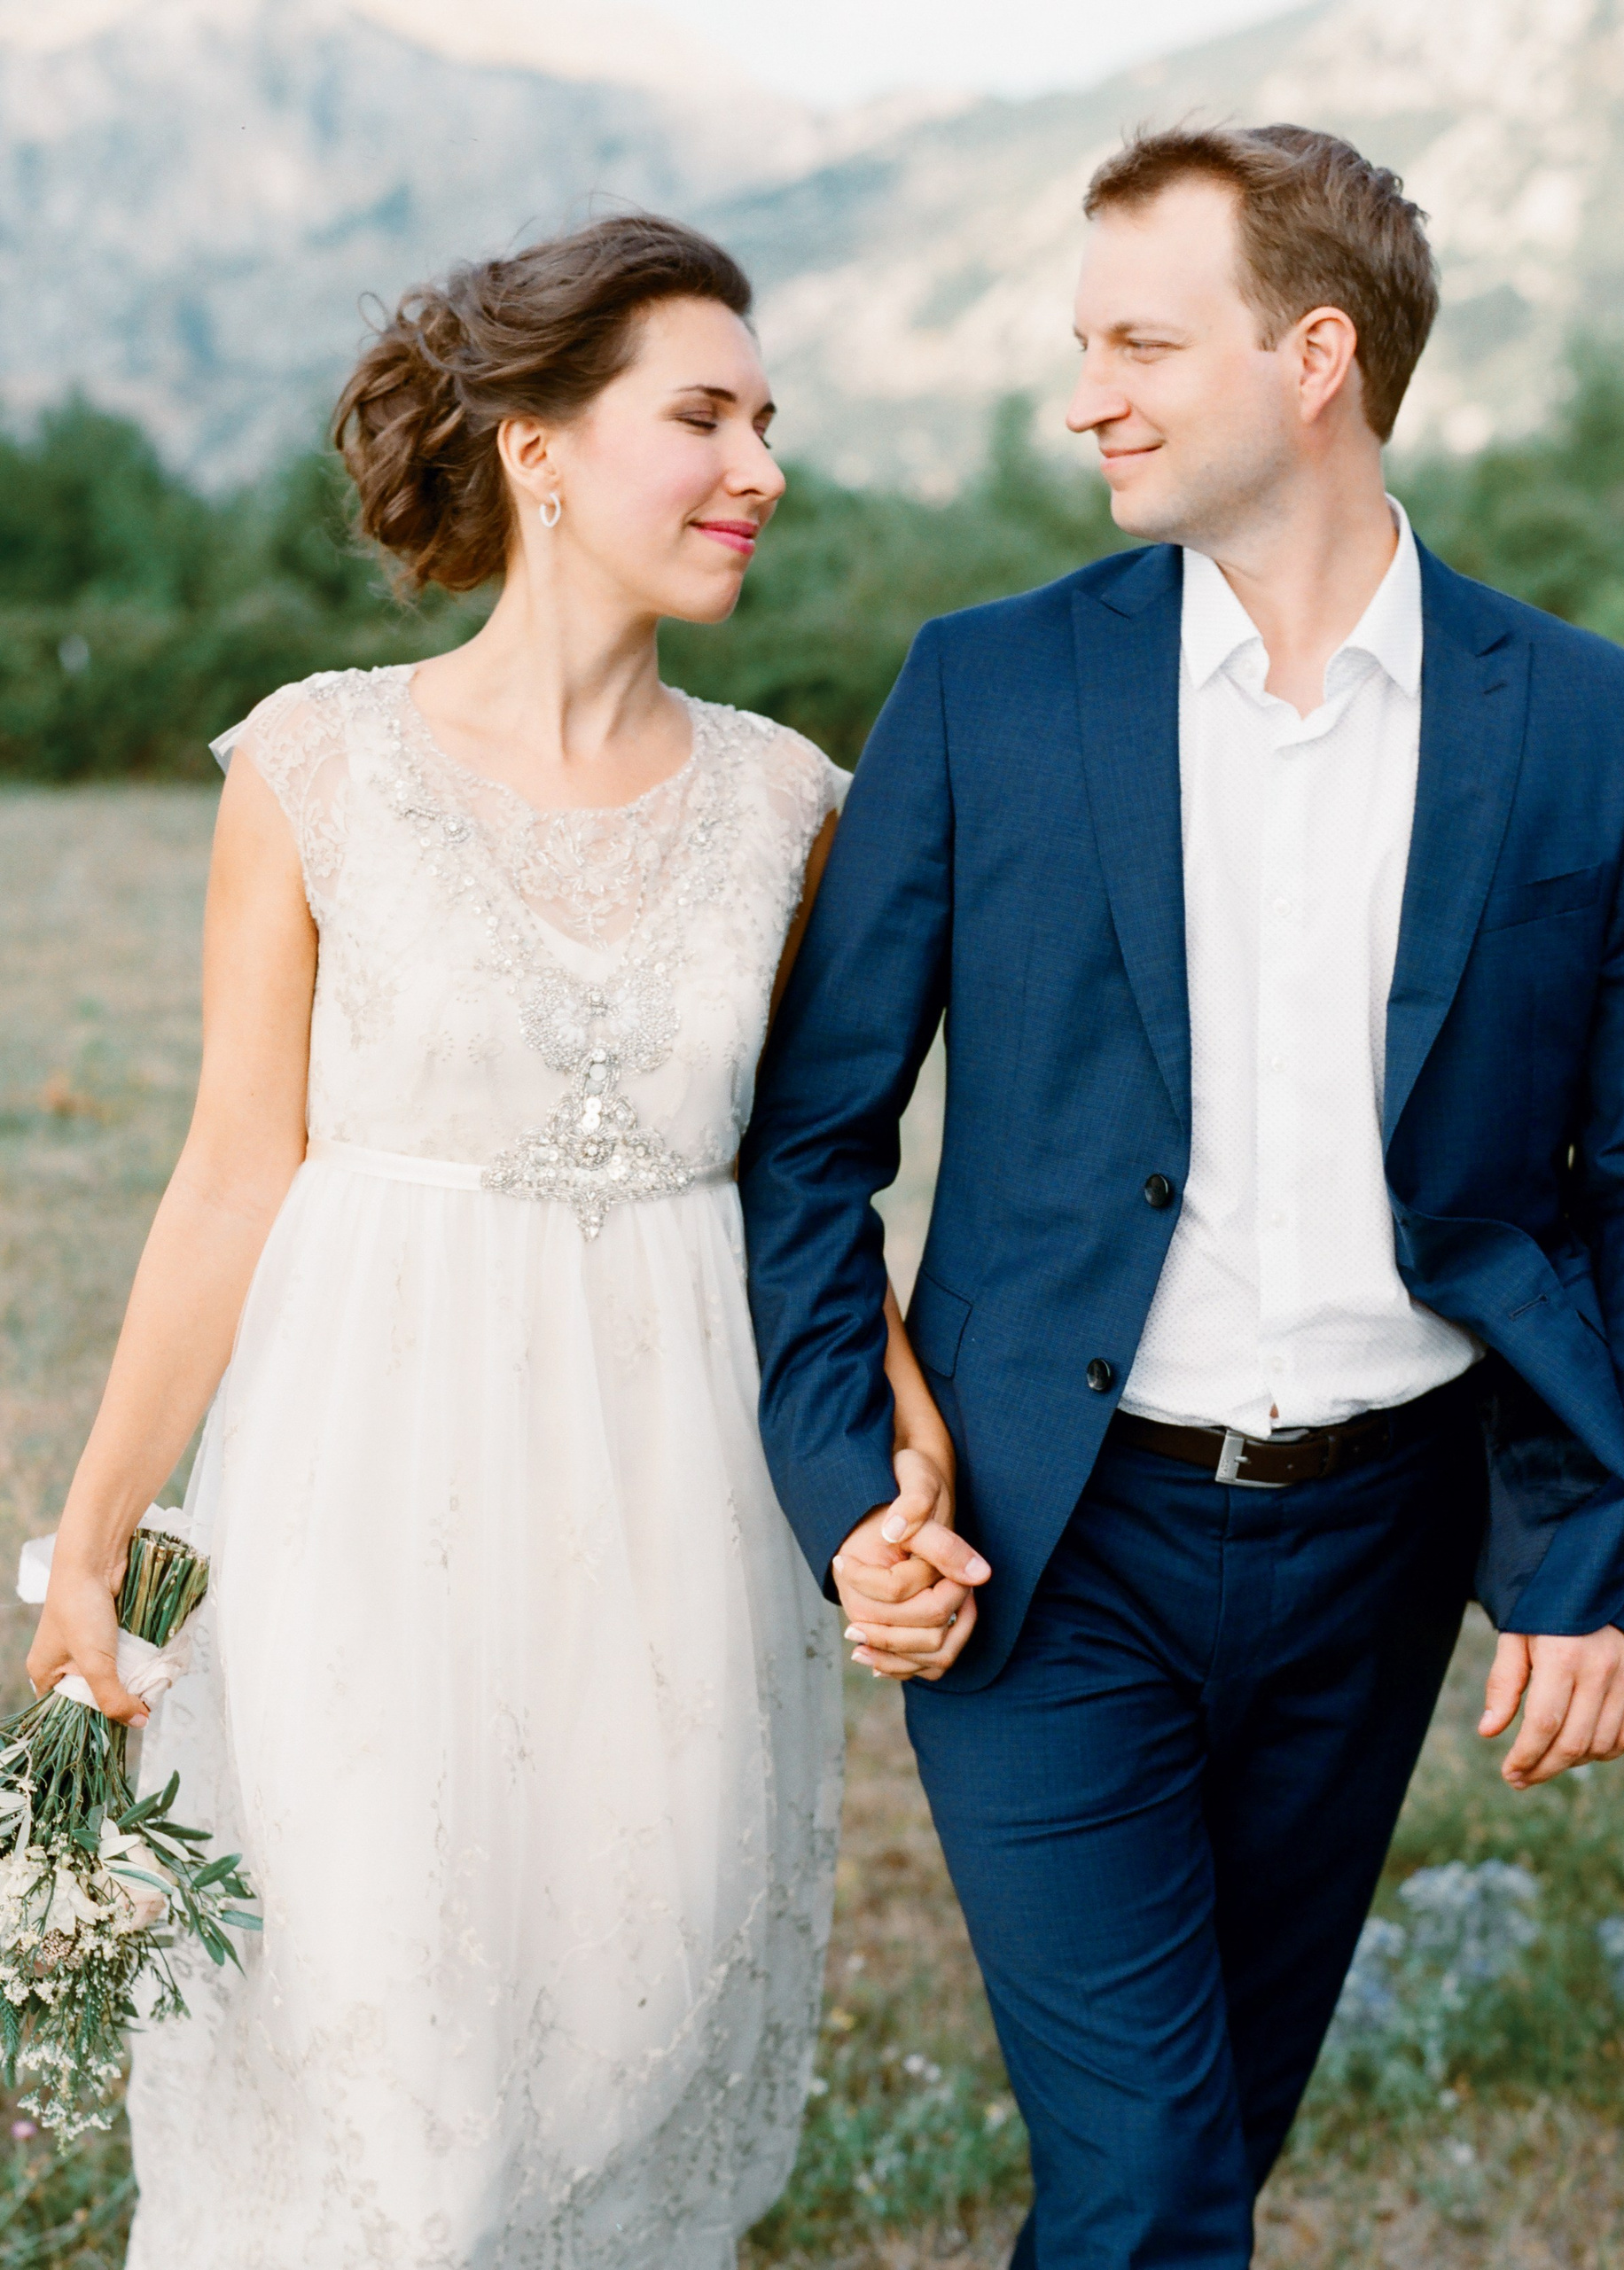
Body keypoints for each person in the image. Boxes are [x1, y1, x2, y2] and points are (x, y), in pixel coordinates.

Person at [740, 125, 1624, 2266]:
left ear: (1315, 358)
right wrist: (850, 1492)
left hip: (1388, 1543)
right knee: (1155, 2186)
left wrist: (1616, 1569)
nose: (1087, 396)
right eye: (1086, 343)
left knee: (1195, 2167)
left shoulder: (1597, 730)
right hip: (1043, 1545)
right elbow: (808, 1143)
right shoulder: (987, 689)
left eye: (1142, 345)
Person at [25, 214, 949, 2269]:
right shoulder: (317, 762)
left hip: (679, 1496)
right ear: (538, 447)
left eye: (768, 421)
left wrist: (902, 1430)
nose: (761, 467)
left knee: (614, 2043)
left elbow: (808, 1176)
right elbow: (230, 1170)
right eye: (702, 417)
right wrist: (93, 1538)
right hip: (366, 1473)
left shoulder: (790, 806)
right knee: (397, 2096)